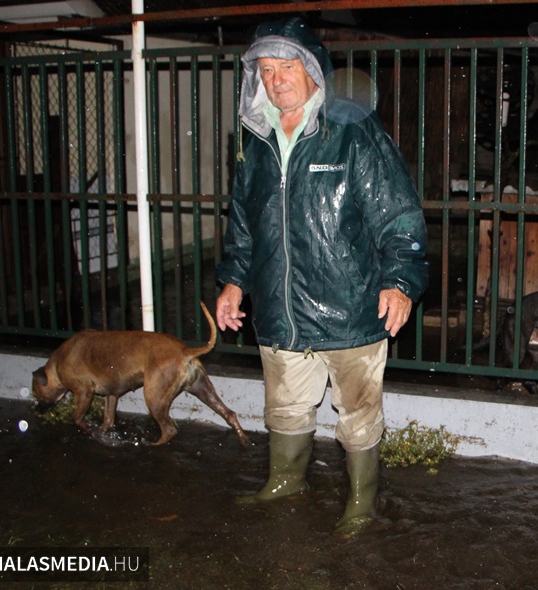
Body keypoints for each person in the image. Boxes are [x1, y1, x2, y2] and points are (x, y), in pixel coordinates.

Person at [215, 17, 429, 536]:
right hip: (281, 309)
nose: (276, 79)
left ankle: (362, 500)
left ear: (312, 70)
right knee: (285, 407)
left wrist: (400, 281)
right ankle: (286, 480)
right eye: (265, 69)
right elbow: (243, 221)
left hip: (351, 306)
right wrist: (233, 281)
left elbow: (398, 214)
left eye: (287, 66)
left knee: (357, 413)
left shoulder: (352, 132)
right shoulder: (255, 139)